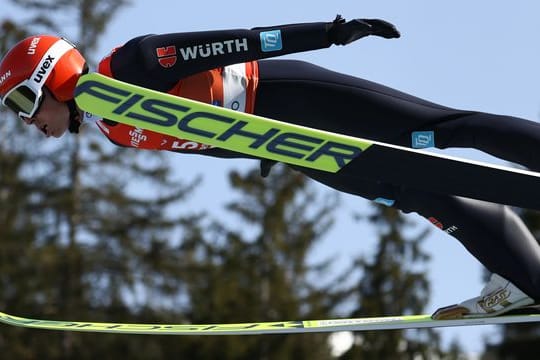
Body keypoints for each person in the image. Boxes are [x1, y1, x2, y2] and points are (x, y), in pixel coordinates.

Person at [1, 15, 539, 320]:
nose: (30, 123)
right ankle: (525, 277)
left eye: (25, 104)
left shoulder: (131, 65)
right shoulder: (114, 129)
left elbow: (235, 43)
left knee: (446, 130)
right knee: (419, 193)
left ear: (51, 74)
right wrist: (255, 148)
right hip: (291, 146)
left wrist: (326, 34)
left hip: (293, 98)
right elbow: (202, 138)